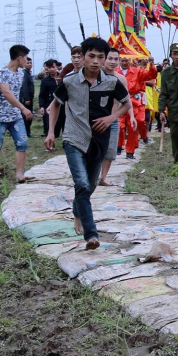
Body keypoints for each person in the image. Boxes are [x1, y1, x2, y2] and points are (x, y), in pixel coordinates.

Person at [45, 37, 131, 250]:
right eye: (91, 56)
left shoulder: (112, 82)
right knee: (82, 184)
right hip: (74, 138)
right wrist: (51, 133)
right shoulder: (69, 81)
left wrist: (111, 118)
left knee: (90, 185)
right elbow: (55, 106)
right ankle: (91, 235)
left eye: (100, 57)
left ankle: (77, 212)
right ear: (82, 57)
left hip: (98, 141)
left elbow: (126, 103)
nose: (95, 61)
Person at [0, 45, 33, 183]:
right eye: (26, 58)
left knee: (22, 143)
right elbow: (7, 93)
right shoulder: (2, 72)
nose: (27, 61)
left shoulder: (21, 73)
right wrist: (23, 108)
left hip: (15, 117)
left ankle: (20, 174)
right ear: (19, 58)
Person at [118, 55, 157, 159]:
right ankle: (118, 146)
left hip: (134, 102)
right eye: (122, 61)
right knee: (119, 126)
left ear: (129, 61)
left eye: (126, 60)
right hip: (118, 102)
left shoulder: (137, 71)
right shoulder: (115, 72)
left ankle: (130, 152)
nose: (124, 63)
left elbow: (151, 76)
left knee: (133, 125)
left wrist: (151, 64)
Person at [99, 47, 128, 186]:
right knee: (95, 149)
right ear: (103, 59)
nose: (112, 61)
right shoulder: (95, 76)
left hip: (113, 119)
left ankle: (103, 177)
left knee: (110, 151)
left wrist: (132, 117)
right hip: (96, 119)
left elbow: (127, 102)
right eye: (110, 58)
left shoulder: (121, 79)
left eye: (116, 59)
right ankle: (92, 174)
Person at [38, 59, 60, 138]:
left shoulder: (63, 78)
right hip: (49, 106)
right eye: (49, 67)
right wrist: (41, 106)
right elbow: (42, 95)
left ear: (57, 67)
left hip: (62, 106)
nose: (51, 69)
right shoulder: (45, 81)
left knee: (59, 128)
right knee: (48, 125)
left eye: (53, 67)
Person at [19, 57, 35, 137]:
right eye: (27, 63)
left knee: (29, 116)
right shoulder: (24, 73)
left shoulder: (28, 73)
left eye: (30, 63)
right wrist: (26, 99)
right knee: (26, 116)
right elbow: (24, 86)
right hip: (26, 99)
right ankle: (26, 132)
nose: (29, 65)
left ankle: (27, 132)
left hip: (30, 98)